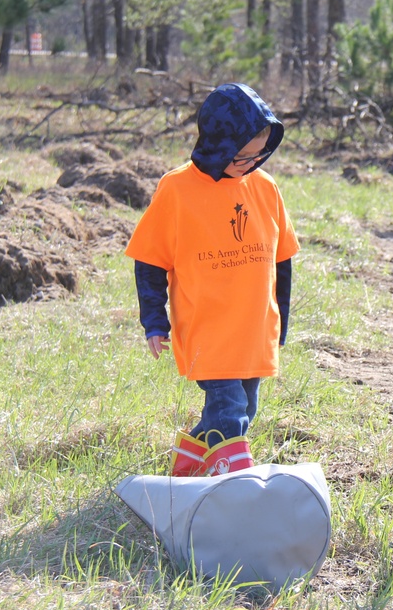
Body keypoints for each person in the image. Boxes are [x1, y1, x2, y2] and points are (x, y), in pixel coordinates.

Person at [125, 83, 300, 477]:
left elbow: (282, 261)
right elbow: (149, 260)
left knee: (244, 410)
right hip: (208, 329)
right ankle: (234, 487)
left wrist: (280, 325)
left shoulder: (266, 188)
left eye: (260, 154)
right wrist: (154, 320)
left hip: (253, 329)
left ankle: (185, 468)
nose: (251, 164)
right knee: (229, 411)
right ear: (218, 145)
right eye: (242, 156)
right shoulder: (177, 189)